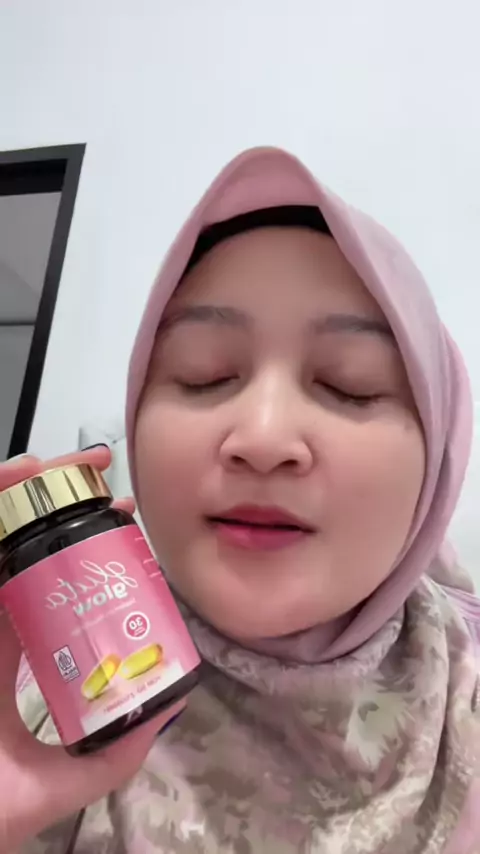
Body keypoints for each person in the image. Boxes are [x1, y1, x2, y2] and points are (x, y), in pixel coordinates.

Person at [0, 147, 479, 854]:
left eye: (349, 384)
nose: (262, 437)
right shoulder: (39, 696)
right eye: (203, 375)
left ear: (438, 451)